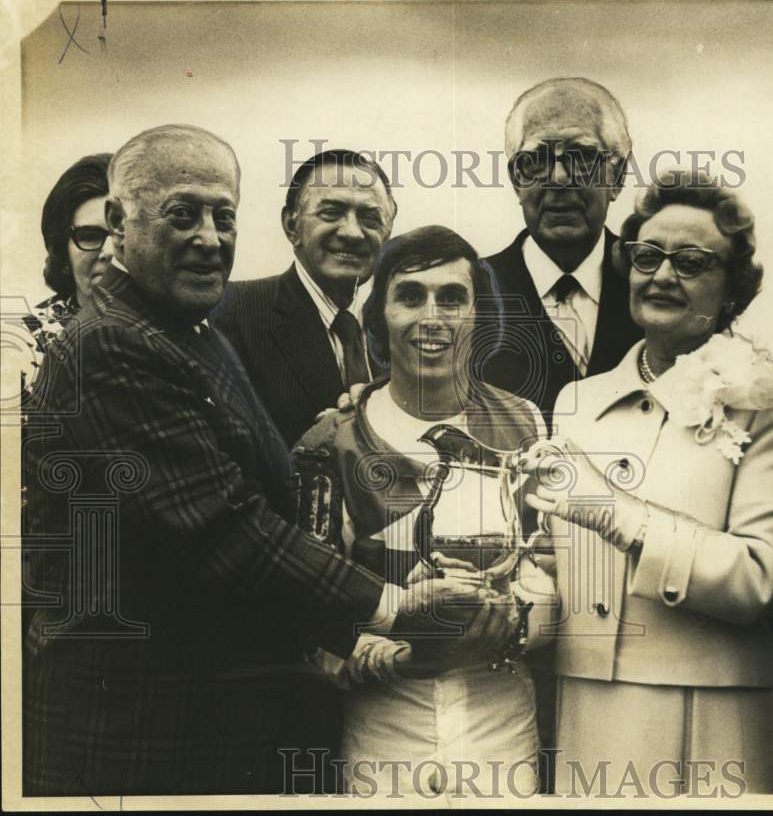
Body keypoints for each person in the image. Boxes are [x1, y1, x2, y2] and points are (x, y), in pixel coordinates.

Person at [21, 125, 494, 796]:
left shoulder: (189, 331)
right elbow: (226, 529)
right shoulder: (111, 345)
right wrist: (395, 604)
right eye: (181, 215)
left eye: (223, 216)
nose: (209, 238)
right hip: (134, 726)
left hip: (206, 715)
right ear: (120, 225)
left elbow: (272, 495)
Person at [520, 178, 773, 794]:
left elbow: (760, 578)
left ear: (732, 287)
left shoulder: (767, 396)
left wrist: (614, 513)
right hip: (588, 700)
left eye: (691, 262)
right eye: (646, 256)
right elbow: (558, 561)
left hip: (711, 712)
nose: (661, 275)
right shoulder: (578, 401)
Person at [295, 225, 558, 798]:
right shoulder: (331, 441)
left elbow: (555, 574)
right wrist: (394, 656)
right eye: (410, 295)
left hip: (501, 720)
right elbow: (307, 609)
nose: (431, 315)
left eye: (453, 297)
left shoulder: (527, 423)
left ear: (481, 318)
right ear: (380, 318)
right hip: (387, 725)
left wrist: (512, 623)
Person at [479, 77, 643, 427]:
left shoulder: (656, 285)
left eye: (581, 157)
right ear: (515, 179)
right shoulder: (470, 291)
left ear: (618, 176)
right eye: (535, 160)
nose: (558, 177)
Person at [212, 148, 396, 446]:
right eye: (331, 213)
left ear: (388, 231)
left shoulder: (400, 325)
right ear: (291, 225)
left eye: (370, 217)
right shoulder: (232, 312)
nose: (352, 232)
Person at [23, 153, 114, 359]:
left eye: (122, 234)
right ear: (63, 254)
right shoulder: (25, 343)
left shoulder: (191, 331)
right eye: (89, 236)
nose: (109, 251)